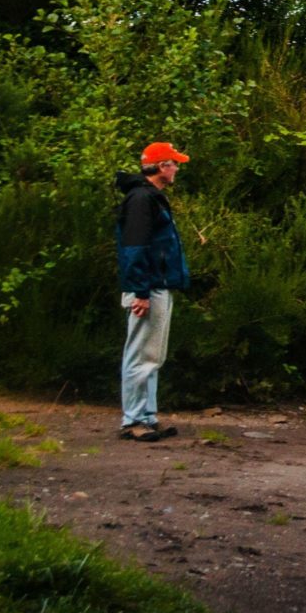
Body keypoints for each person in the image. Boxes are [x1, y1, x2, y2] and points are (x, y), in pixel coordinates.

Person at [114, 142, 192, 442]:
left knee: (153, 355)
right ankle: (133, 419)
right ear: (162, 167)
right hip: (147, 287)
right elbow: (134, 248)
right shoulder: (141, 199)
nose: (177, 169)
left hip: (155, 285)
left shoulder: (150, 198)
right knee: (140, 354)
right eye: (174, 163)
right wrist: (141, 291)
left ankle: (146, 416)